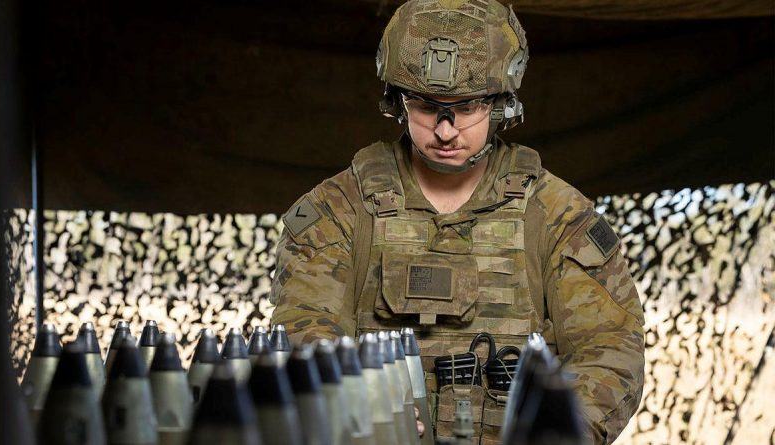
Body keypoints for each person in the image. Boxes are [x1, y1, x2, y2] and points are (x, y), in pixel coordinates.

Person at [269, 1, 645, 443]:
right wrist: (357, 407)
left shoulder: (556, 214)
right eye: (427, 107)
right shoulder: (340, 209)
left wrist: (558, 429)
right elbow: (303, 330)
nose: (446, 131)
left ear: (503, 104)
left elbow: (611, 349)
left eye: (467, 108)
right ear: (397, 102)